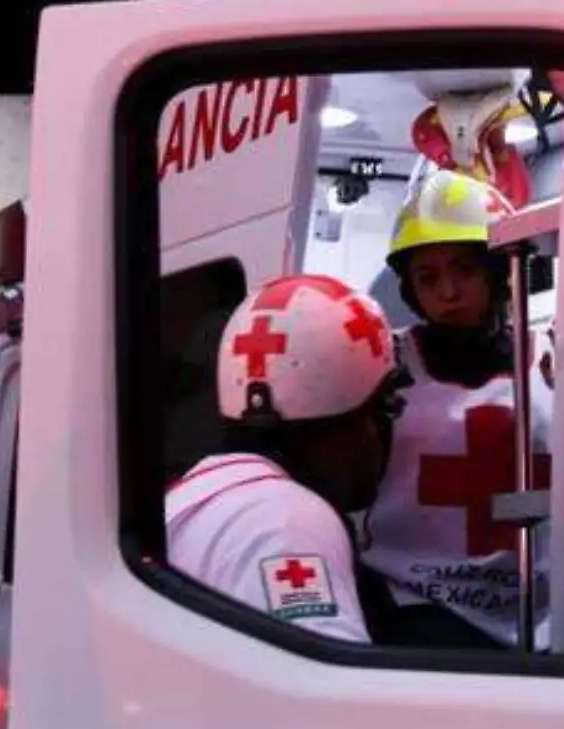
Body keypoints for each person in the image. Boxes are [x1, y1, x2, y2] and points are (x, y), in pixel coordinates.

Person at [357, 168, 556, 651]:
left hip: (547, 616)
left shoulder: (557, 361)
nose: (447, 293)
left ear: (498, 271)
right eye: (428, 277)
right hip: (414, 613)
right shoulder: (378, 367)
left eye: (464, 269)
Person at [165, 273, 400, 643]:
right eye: (386, 409)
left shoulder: (198, 491)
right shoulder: (287, 522)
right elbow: (325, 692)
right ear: (364, 420)